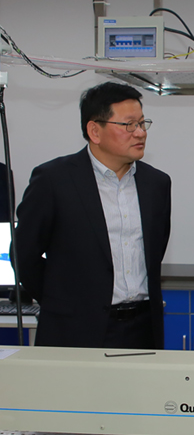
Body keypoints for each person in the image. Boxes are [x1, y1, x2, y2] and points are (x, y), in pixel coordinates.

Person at [15, 82, 171, 349]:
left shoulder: (156, 184)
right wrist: (61, 302)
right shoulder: (54, 180)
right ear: (94, 131)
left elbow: (155, 250)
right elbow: (23, 255)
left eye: (142, 123)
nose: (140, 133)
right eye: (129, 125)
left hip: (143, 329)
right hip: (74, 329)